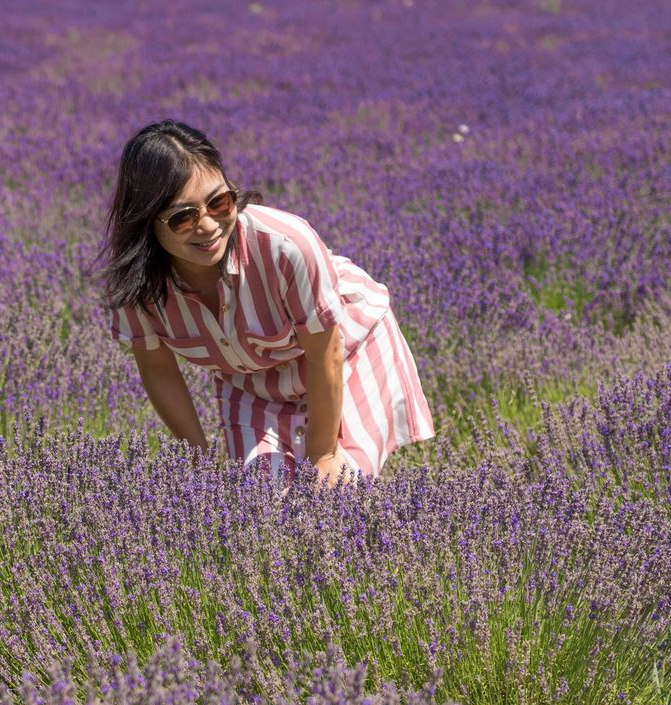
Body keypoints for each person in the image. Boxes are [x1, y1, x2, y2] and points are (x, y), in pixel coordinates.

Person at [96, 119, 434, 485]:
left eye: (219, 202)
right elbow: (159, 370)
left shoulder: (285, 247)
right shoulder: (135, 288)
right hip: (251, 381)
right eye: (183, 218)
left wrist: (323, 454)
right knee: (261, 503)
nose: (208, 225)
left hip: (347, 350)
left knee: (337, 494)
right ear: (147, 222)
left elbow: (326, 354)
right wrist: (200, 464)